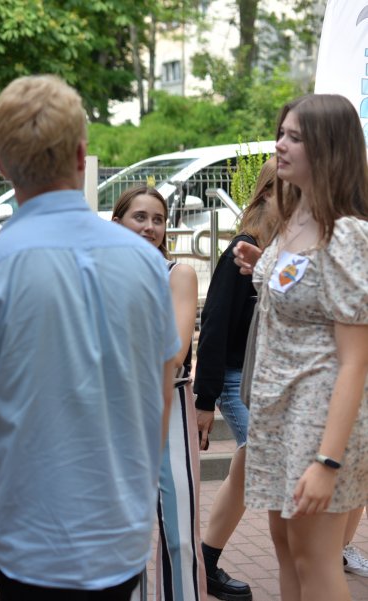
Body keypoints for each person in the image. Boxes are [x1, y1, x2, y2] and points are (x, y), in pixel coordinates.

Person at [0, 74, 179, 601]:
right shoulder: (146, 265)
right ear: (82, 155)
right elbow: (160, 390)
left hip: (30, 542)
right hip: (119, 536)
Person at [232, 93, 368, 600]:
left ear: (329, 149)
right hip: (276, 409)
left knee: (315, 558)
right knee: (287, 547)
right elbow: (303, 297)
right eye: (281, 133)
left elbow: (356, 361)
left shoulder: (349, 235)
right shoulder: (292, 218)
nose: (280, 144)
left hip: (318, 419)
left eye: (295, 137)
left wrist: (328, 462)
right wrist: (260, 265)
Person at [112, 185, 205, 601]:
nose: (151, 226)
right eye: (140, 217)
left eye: (158, 219)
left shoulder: (177, 275)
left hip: (169, 410)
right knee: (120, 538)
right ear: (117, 224)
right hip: (112, 413)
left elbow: (176, 351)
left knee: (180, 534)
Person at [194, 157, 278, 601]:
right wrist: (205, 399)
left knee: (248, 468)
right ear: (267, 194)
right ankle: (205, 562)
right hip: (233, 378)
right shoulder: (244, 249)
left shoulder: (281, 252)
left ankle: (204, 562)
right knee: (256, 461)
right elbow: (215, 323)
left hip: (265, 380)